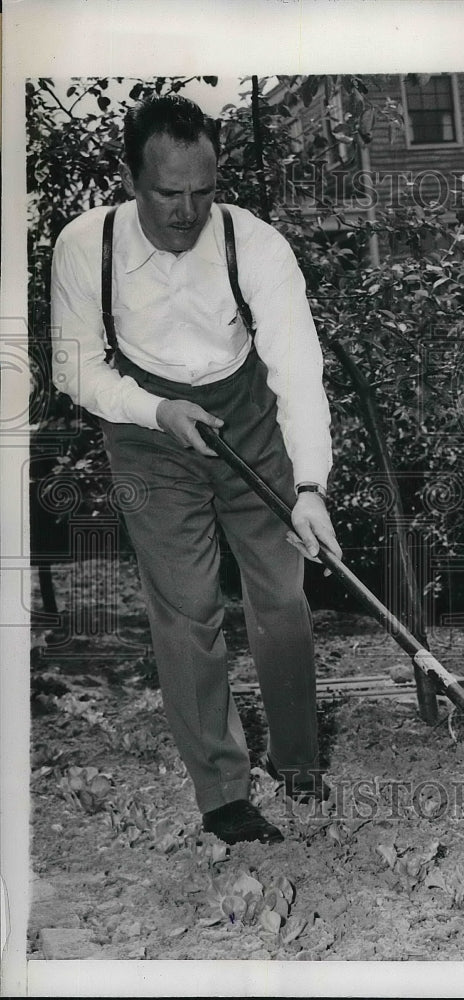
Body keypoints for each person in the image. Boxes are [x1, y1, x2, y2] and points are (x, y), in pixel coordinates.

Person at [51, 92, 341, 846]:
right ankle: (223, 794)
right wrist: (159, 410)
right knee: (186, 610)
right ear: (128, 178)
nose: (186, 211)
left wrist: (309, 488)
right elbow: (77, 369)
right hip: (145, 427)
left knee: (280, 594)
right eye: (167, 193)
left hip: (246, 413)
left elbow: (297, 369)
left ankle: (298, 761)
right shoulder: (86, 245)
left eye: (203, 193)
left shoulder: (257, 244)